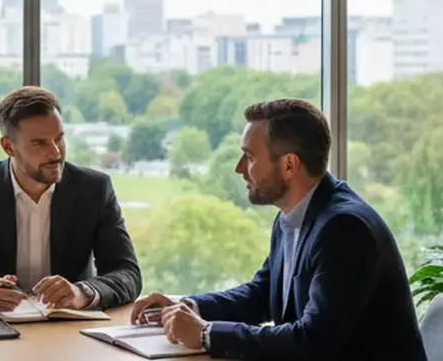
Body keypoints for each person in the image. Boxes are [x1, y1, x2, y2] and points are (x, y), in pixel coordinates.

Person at [130, 98, 426, 360]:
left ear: (288, 165)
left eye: (250, 156)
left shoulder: (346, 230)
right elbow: (262, 294)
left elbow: (312, 341)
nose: (239, 168)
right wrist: (186, 306)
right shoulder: (293, 216)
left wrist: (207, 334)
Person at [0, 86, 142, 315]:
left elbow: (127, 273)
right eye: (40, 144)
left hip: (71, 330)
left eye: (59, 139)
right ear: (8, 147)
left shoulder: (94, 189)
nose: (56, 153)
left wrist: (82, 293)